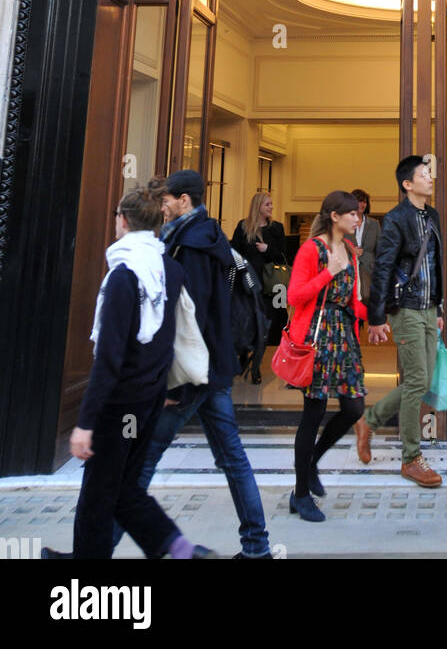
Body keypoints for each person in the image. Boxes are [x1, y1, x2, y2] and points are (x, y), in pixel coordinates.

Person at [42, 184, 215, 560]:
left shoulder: (124, 276)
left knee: (105, 489)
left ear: (122, 221)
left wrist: (85, 422)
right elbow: (172, 335)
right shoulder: (168, 268)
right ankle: (181, 551)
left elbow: (109, 358)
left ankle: (177, 553)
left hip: (121, 408)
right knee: (117, 489)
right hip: (144, 406)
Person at [126, 170, 273, 559]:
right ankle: (257, 548)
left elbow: (188, 320)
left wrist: (173, 384)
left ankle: (89, 553)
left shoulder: (189, 246)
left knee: (138, 466)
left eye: (167, 199)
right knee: (233, 459)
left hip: (194, 373)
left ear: (184, 200)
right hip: (214, 368)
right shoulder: (208, 235)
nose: (162, 206)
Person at [355, 155, 445, 488]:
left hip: (426, 308)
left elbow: (435, 265)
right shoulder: (395, 219)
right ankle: (411, 458)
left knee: (423, 382)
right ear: (408, 184)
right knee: (418, 378)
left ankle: (369, 420)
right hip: (404, 308)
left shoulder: (432, 215)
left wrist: (438, 309)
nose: (430, 178)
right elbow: (383, 268)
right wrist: (377, 317)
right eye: (424, 175)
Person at [287, 190, 368, 523]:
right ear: (334, 216)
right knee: (313, 412)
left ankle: (310, 464)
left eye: (358, 214)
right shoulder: (311, 250)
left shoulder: (349, 250)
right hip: (317, 337)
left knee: (354, 407)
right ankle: (301, 493)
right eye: (351, 214)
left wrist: (374, 319)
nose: (357, 218)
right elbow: (294, 296)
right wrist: (328, 272)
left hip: (344, 335)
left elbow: (354, 299)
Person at [231, 191, 288, 369]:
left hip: (269, 285)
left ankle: (256, 366)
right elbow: (234, 251)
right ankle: (244, 355)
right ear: (258, 207)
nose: (271, 207)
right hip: (247, 282)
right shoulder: (243, 226)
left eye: (271, 204)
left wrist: (267, 249)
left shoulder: (276, 228)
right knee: (247, 320)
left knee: (267, 322)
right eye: (267, 204)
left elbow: (284, 256)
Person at [351, 189, 381, 307]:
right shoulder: (345, 222)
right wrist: (351, 250)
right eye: (359, 201)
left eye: (364, 201)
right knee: (351, 301)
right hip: (350, 267)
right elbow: (339, 243)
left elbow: (380, 248)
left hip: (369, 268)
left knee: (367, 299)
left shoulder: (374, 224)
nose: (362, 204)